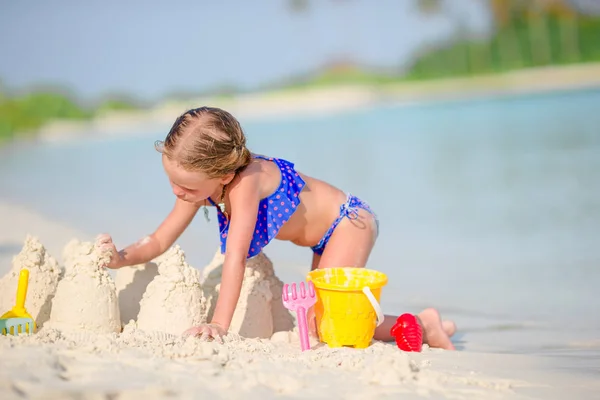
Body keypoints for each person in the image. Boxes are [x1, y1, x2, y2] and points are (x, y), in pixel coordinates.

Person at [98, 106, 456, 350]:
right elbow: (160, 237)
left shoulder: (246, 183)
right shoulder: (199, 187)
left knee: (334, 324)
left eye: (187, 188)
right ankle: (432, 325)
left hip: (348, 223)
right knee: (321, 326)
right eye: (173, 183)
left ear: (223, 174)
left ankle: (423, 325)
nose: (179, 193)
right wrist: (120, 258)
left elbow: (235, 257)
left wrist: (219, 326)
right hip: (326, 238)